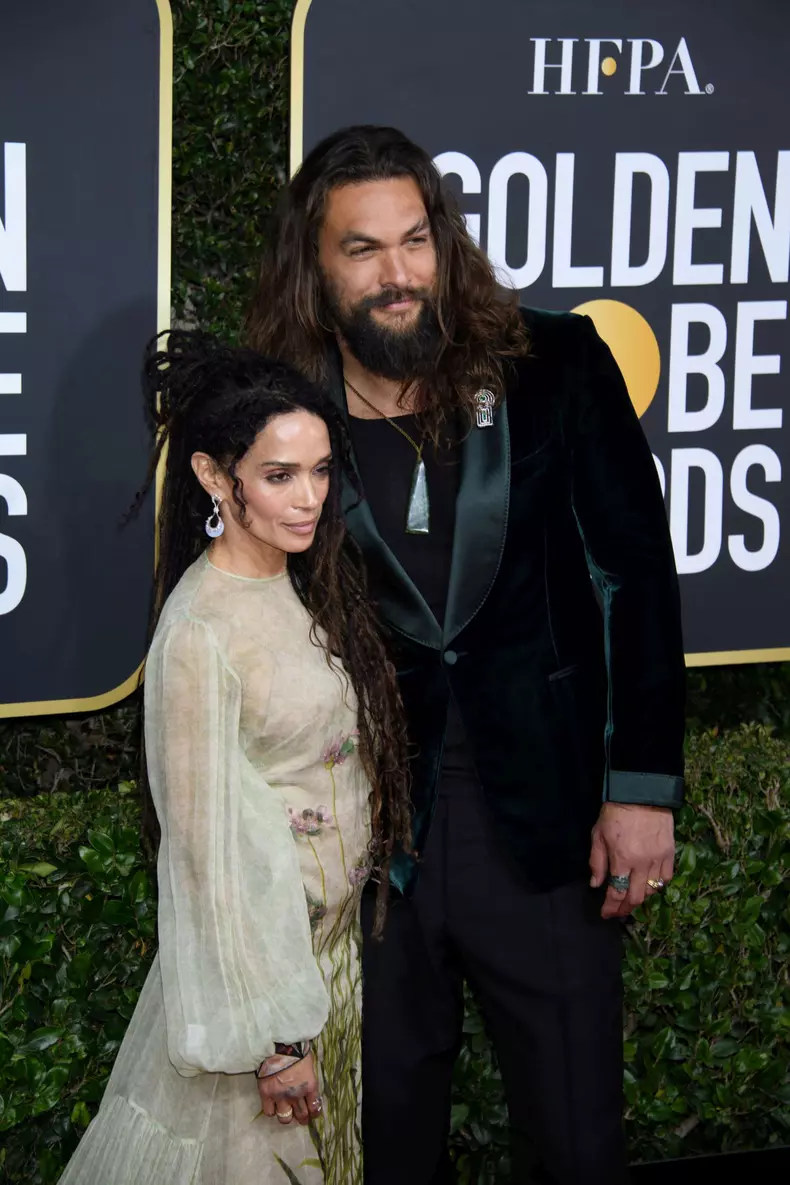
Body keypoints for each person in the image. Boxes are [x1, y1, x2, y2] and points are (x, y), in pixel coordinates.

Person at [245, 125, 686, 1185]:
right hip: (367, 846)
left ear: (445, 242)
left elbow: (636, 579)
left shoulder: (555, 365)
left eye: (416, 241)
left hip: (544, 830)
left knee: (578, 1138)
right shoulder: (278, 419)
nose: (399, 275)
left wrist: (640, 789)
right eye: (364, 250)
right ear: (316, 267)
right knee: (387, 1145)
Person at [59, 332, 410, 1185]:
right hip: (253, 1015)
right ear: (217, 478)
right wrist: (274, 1042)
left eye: (322, 470)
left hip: (321, 968)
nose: (310, 498)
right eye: (279, 475)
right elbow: (206, 860)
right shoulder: (199, 631)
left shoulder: (295, 580)